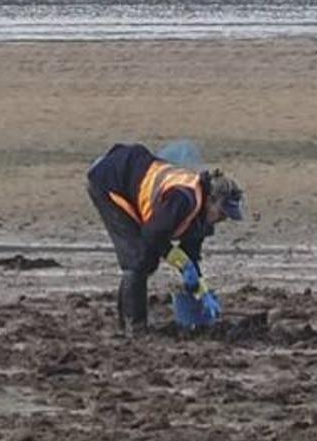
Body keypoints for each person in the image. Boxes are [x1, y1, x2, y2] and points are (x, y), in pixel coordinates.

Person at [86, 142, 245, 334]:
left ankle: (128, 322)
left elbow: (190, 254)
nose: (223, 219)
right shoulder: (183, 199)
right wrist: (179, 262)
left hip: (132, 177)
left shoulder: (203, 219)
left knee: (146, 258)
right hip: (111, 182)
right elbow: (152, 234)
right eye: (222, 212)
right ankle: (134, 328)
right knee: (139, 258)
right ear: (211, 200)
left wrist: (200, 288)